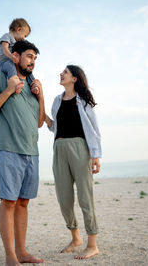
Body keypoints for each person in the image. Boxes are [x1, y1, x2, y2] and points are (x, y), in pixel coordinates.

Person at [0, 40, 45, 266]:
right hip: (7, 150)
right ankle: (10, 256)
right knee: (8, 201)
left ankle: (22, 252)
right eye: (29, 56)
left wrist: (41, 96)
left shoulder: (33, 85)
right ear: (15, 56)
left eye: (35, 58)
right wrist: (9, 90)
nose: (32, 61)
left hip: (31, 152)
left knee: (23, 202)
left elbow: (38, 122)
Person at [45, 65, 101, 260]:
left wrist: (96, 156)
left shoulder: (83, 102)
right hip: (59, 149)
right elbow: (55, 127)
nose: (61, 74)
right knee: (64, 198)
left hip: (80, 149)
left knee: (85, 197)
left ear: (74, 78)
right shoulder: (57, 100)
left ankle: (92, 244)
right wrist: (44, 116)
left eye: (65, 72)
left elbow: (94, 130)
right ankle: (76, 238)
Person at [0, 18, 38, 94]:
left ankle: (33, 84)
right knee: (10, 65)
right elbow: (5, 49)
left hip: (11, 61)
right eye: (24, 35)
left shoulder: (16, 42)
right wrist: (12, 57)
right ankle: (15, 84)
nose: (23, 38)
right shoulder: (7, 36)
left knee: (26, 68)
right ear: (19, 30)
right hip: (3, 63)